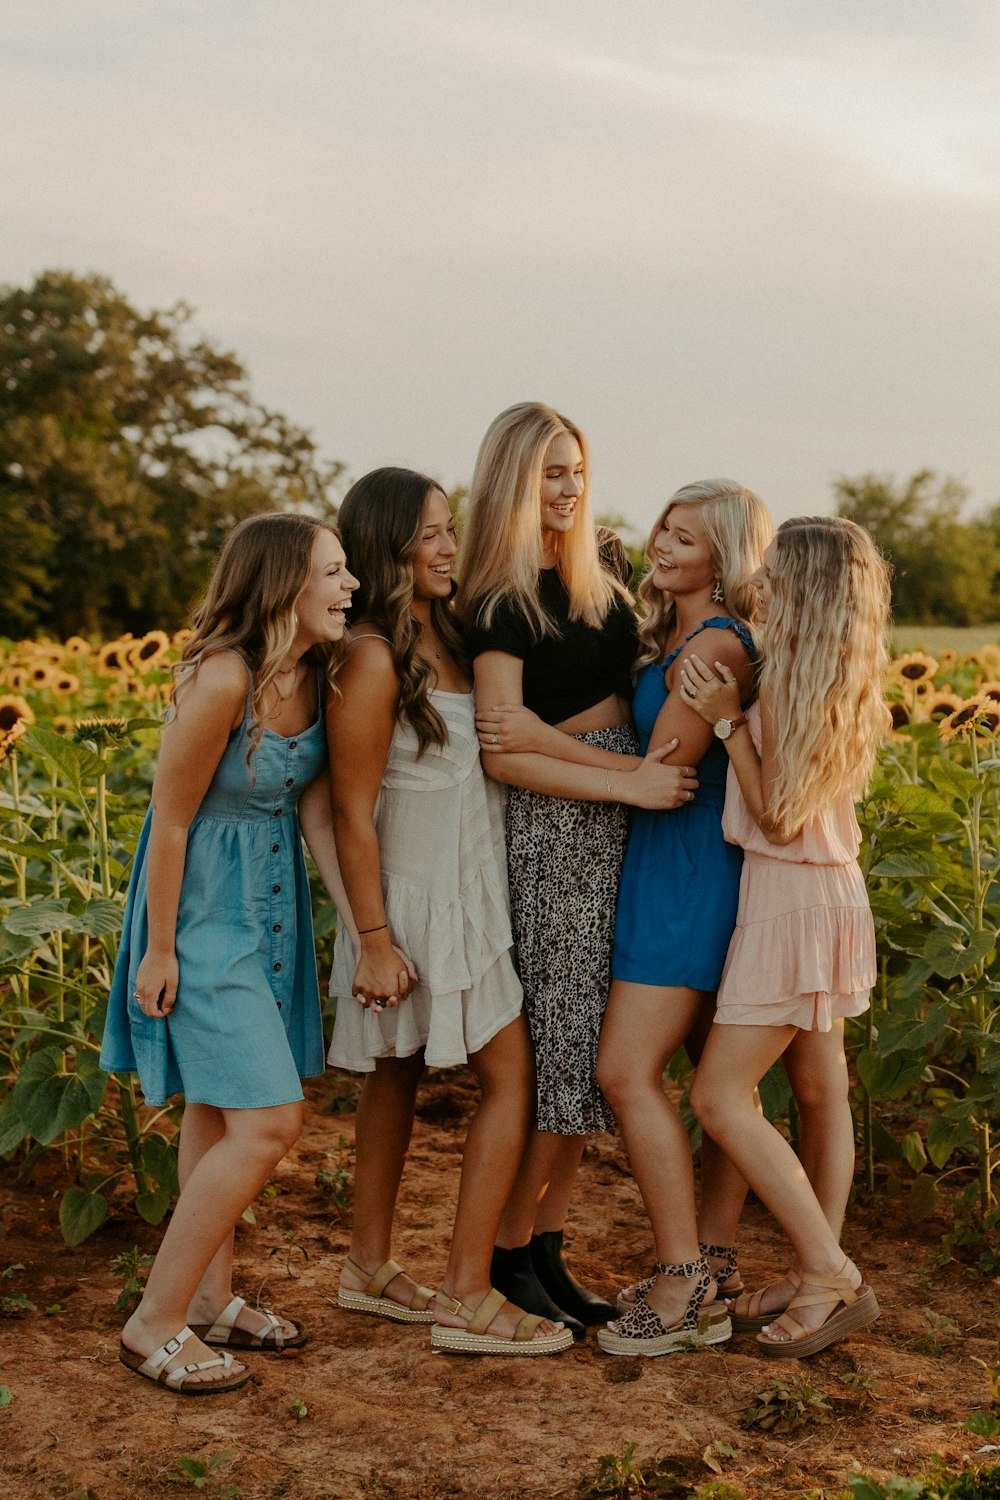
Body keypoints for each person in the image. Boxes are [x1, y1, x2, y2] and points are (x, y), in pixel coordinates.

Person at [100, 513, 360, 1393]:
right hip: (203, 911)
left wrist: (366, 925)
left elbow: (317, 812)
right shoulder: (223, 678)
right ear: (283, 583)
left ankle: (210, 1304)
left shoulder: (315, 677)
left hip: (274, 908)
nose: (350, 586)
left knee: (217, 1111)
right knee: (270, 1121)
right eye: (333, 571)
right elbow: (169, 820)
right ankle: (154, 1321)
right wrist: (160, 949)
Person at [459, 401, 699, 1334]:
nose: (564, 489)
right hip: (560, 831)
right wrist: (628, 780)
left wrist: (632, 776)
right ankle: (508, 1250)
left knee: (590, 1059)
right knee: (562, 1048)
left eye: (574, 470)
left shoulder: (609, 573)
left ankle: (545, 1249)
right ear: (511, 482)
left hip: (620, 816)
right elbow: (504, 753)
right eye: (547, 474)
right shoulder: (497, 600)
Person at [327, 467, 572, 1356]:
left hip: (474, 887)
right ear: (387, 546)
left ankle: (366, 1267)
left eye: (447, 529)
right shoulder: (369, 654)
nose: (445, 546)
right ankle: (467, 1296)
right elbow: (352, 809)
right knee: (508, 1076)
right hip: (407, 901)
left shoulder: (462, 633)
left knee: (403, 1074)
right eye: (428, 533)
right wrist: (375, 938)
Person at [679, 515, 887, 1357]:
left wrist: (729, 724)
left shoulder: (796, 684)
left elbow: (776, 813)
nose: (759, 580)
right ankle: (814, 1276)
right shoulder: (838, 670)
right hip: (827, 894)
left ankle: (831, 1272)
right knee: (818, 1092)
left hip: (791, 901)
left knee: (717, 1096)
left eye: (773, 571)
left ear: (804, 588)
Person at [594, 479, 773, 1357]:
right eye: (664, 526)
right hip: (683, 862)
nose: (663, 545)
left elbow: (664, 764)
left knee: (626, 1069)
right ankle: (716, 1260)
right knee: (715, 1079)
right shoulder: (678, 634)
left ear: (726, 557)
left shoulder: (716, 644)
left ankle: (680, 1280)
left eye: (689, 539)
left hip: (688, 865)